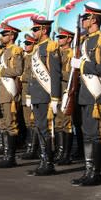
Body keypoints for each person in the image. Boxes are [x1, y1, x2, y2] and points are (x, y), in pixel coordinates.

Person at [70, 4, 101, 186]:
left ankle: (96, 173)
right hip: (84, 94)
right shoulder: (85, 40)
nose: (83, 21)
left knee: (95, 135)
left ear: (94, 19)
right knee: (87, 134)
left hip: (94, 95)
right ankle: (88, 171)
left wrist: (82, 65)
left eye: (86, 18)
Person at [27, 18, 61, 176]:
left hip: (46, 95)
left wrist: (55, 97)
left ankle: (48, 164)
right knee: (40, 129)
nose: (33, 32)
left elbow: (55, 73)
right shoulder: (37, 48)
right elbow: (32, 74)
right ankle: (43, 161)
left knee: (46, 129)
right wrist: (29, 93)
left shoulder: (51, 46)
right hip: (36, 95)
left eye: (35, 29)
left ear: (44, 30)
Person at [0, 23, 23, 168]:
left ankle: (10, 157)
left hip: (9, 92)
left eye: (5, 34)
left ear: (11, 36)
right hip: (0, 92)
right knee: (3, 124)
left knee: (11, 124)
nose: (2, 37)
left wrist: (1, 71)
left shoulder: (16, 50)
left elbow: (18, 70)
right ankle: (6, 155)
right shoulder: (3, 51)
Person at [55, 27, 75, 165]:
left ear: (69, 39)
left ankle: (66, 155)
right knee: (58, 123)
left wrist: (58, 73)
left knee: (66, 122)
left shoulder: (72, 54)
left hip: (65, 91)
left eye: (62, 37)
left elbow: (73, 76)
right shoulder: (56, 53)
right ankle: (60, 152)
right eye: (59, 37)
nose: (59, 39)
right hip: (56, 92)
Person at [20, 34, 39, 160]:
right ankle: (30, 147)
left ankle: (33, 149)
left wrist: (22, 77)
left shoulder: (34, 57)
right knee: (27, 122)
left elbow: (34, 74)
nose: (26, 46)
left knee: (33, 122)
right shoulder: (25, 57)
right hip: (24, 92)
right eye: (25, 43)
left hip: (32, 92)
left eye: (29, 44)